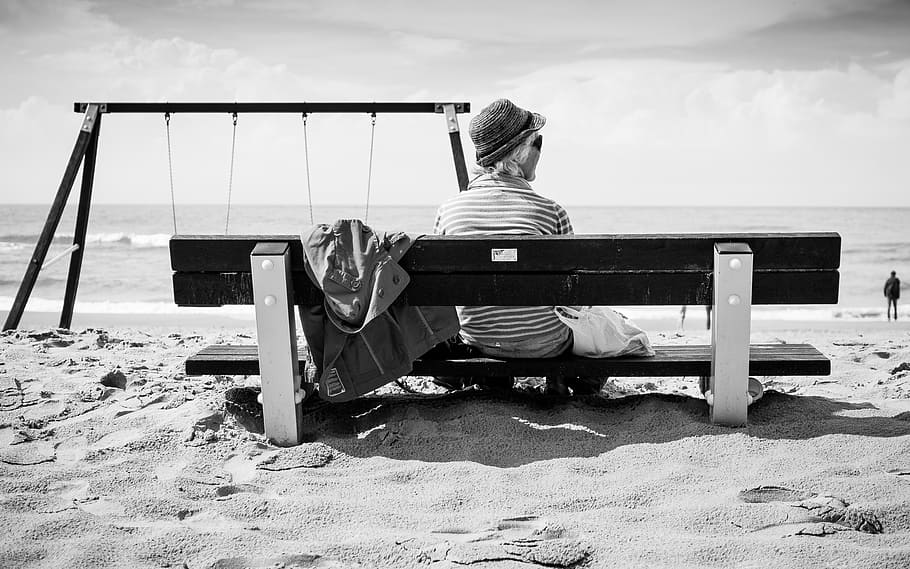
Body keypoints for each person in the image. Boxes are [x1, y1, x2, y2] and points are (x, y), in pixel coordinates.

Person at [432, 99, 598, 394]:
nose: (540, 152)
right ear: (520, 152)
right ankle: (574, 381)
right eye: (538, 143)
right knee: (606, 324)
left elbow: (442, 294)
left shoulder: (450, 211)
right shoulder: (552, 212)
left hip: (478, 340)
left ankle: (491, 378)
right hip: (547, 345)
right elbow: (575, 297)